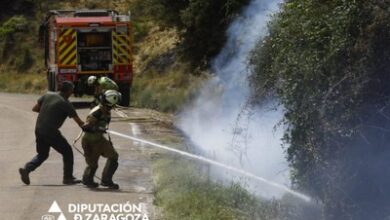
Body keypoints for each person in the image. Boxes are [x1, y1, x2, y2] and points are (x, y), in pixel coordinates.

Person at [19, 81, 85, 185]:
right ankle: (68, 178)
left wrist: (49, 112)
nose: (72, 92)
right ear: (68, 91)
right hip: (51, 132)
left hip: (39, 129)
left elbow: (35, 108)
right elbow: (80, 123)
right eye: (72, 90)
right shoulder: (66, 103)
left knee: (42, 154)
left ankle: (27, 169)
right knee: (67, 152)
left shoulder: (48, 94)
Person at [81, 90, 121, 189]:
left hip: (99, 140)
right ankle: (87, 180)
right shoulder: (97, 112)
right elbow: (85, 127)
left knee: (114, 156)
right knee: (93, 164)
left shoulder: (106, 111)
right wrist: (97, 128)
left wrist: (108, 140)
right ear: (111, 102)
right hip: (89, 141)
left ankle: (106, 180)